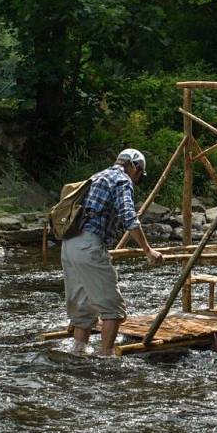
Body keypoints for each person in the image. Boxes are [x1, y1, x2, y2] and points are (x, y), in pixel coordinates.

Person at [61, 148, 163, 356]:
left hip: (69, 245)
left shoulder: (97, 176)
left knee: (83, 310)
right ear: (134, 166)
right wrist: (148, 250)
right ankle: (106, 359)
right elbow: (129, 218)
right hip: (89, 246)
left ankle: (77, 354)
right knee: (113, 310)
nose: (137, 180)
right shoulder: (121, 180)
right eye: (139, 174)